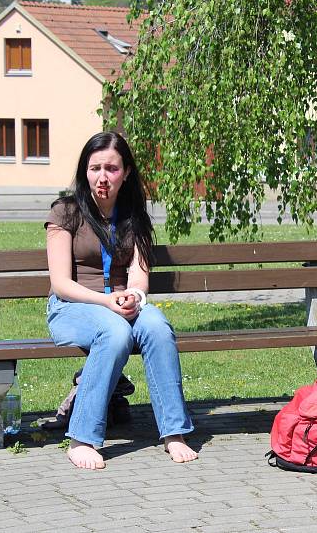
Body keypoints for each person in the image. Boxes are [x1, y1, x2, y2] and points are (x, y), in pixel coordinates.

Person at [45, 131, 198, 469]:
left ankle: (174, 432)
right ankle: (82, 438)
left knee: (157, 326)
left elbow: (139, 275)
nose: (102, 177)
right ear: (85, 171)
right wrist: (106, 303)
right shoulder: (65, 213)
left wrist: (134, 295)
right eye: (95, 167)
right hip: (73, 307)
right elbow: (60, 284)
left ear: (126, 172)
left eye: (111, 169)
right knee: (114, 333)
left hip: (119, 304)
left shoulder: (133, 215)